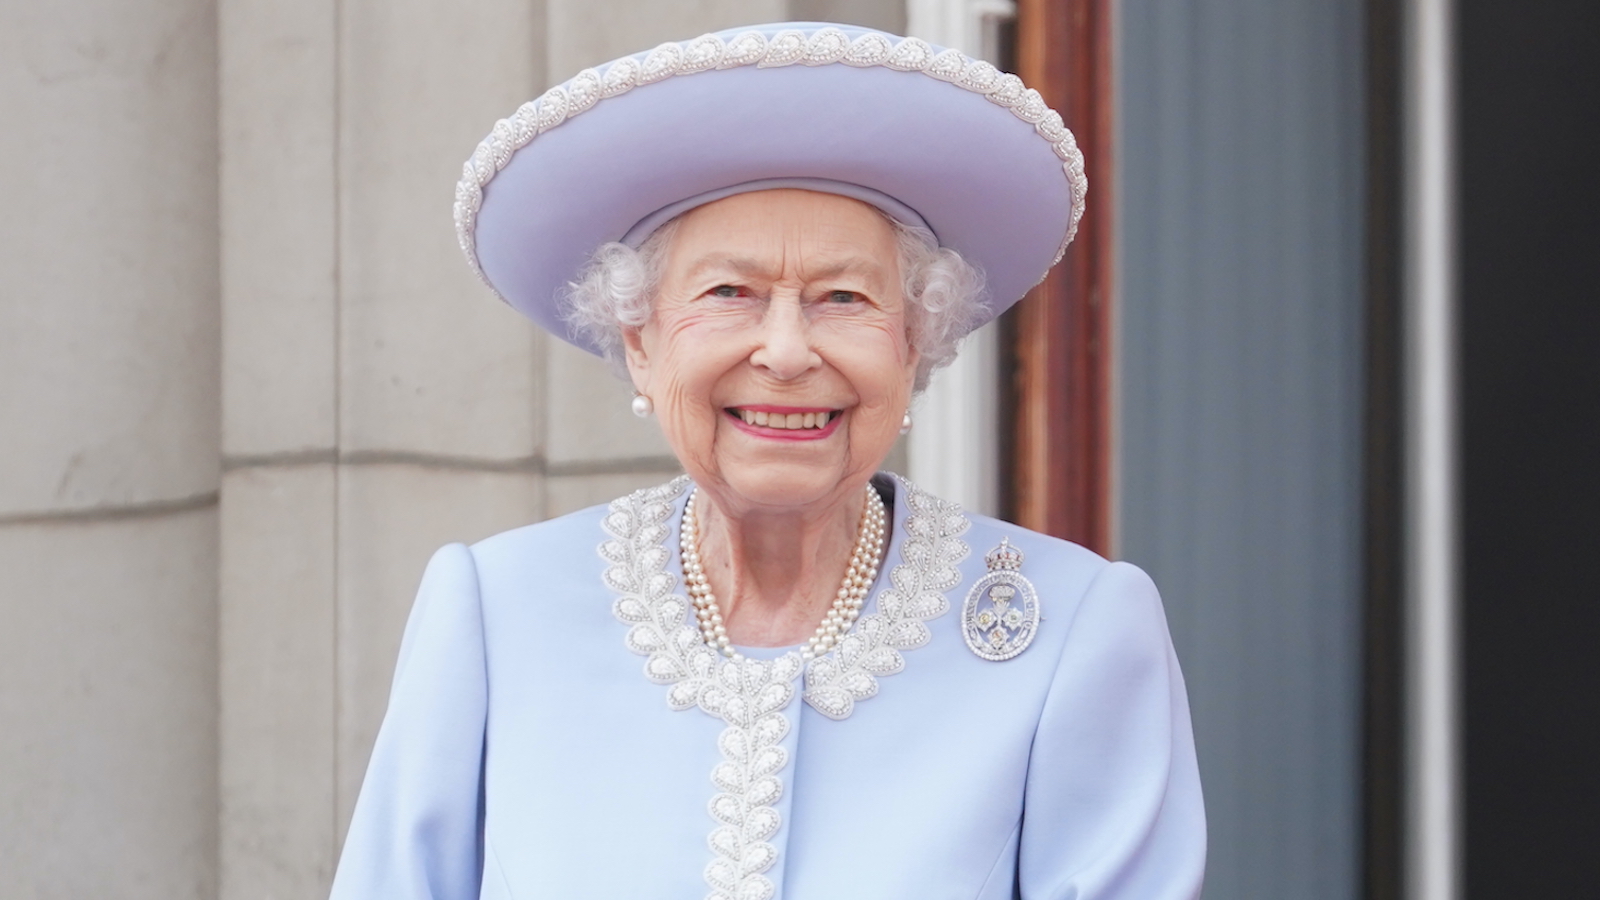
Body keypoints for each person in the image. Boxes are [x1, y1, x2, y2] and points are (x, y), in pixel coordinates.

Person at [331, 21, 1204, 900]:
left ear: (914, 343)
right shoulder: (497, 613)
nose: (786, 351)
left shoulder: (1071, 635)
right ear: (640, 341)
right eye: (729, 293)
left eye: (842, 298)